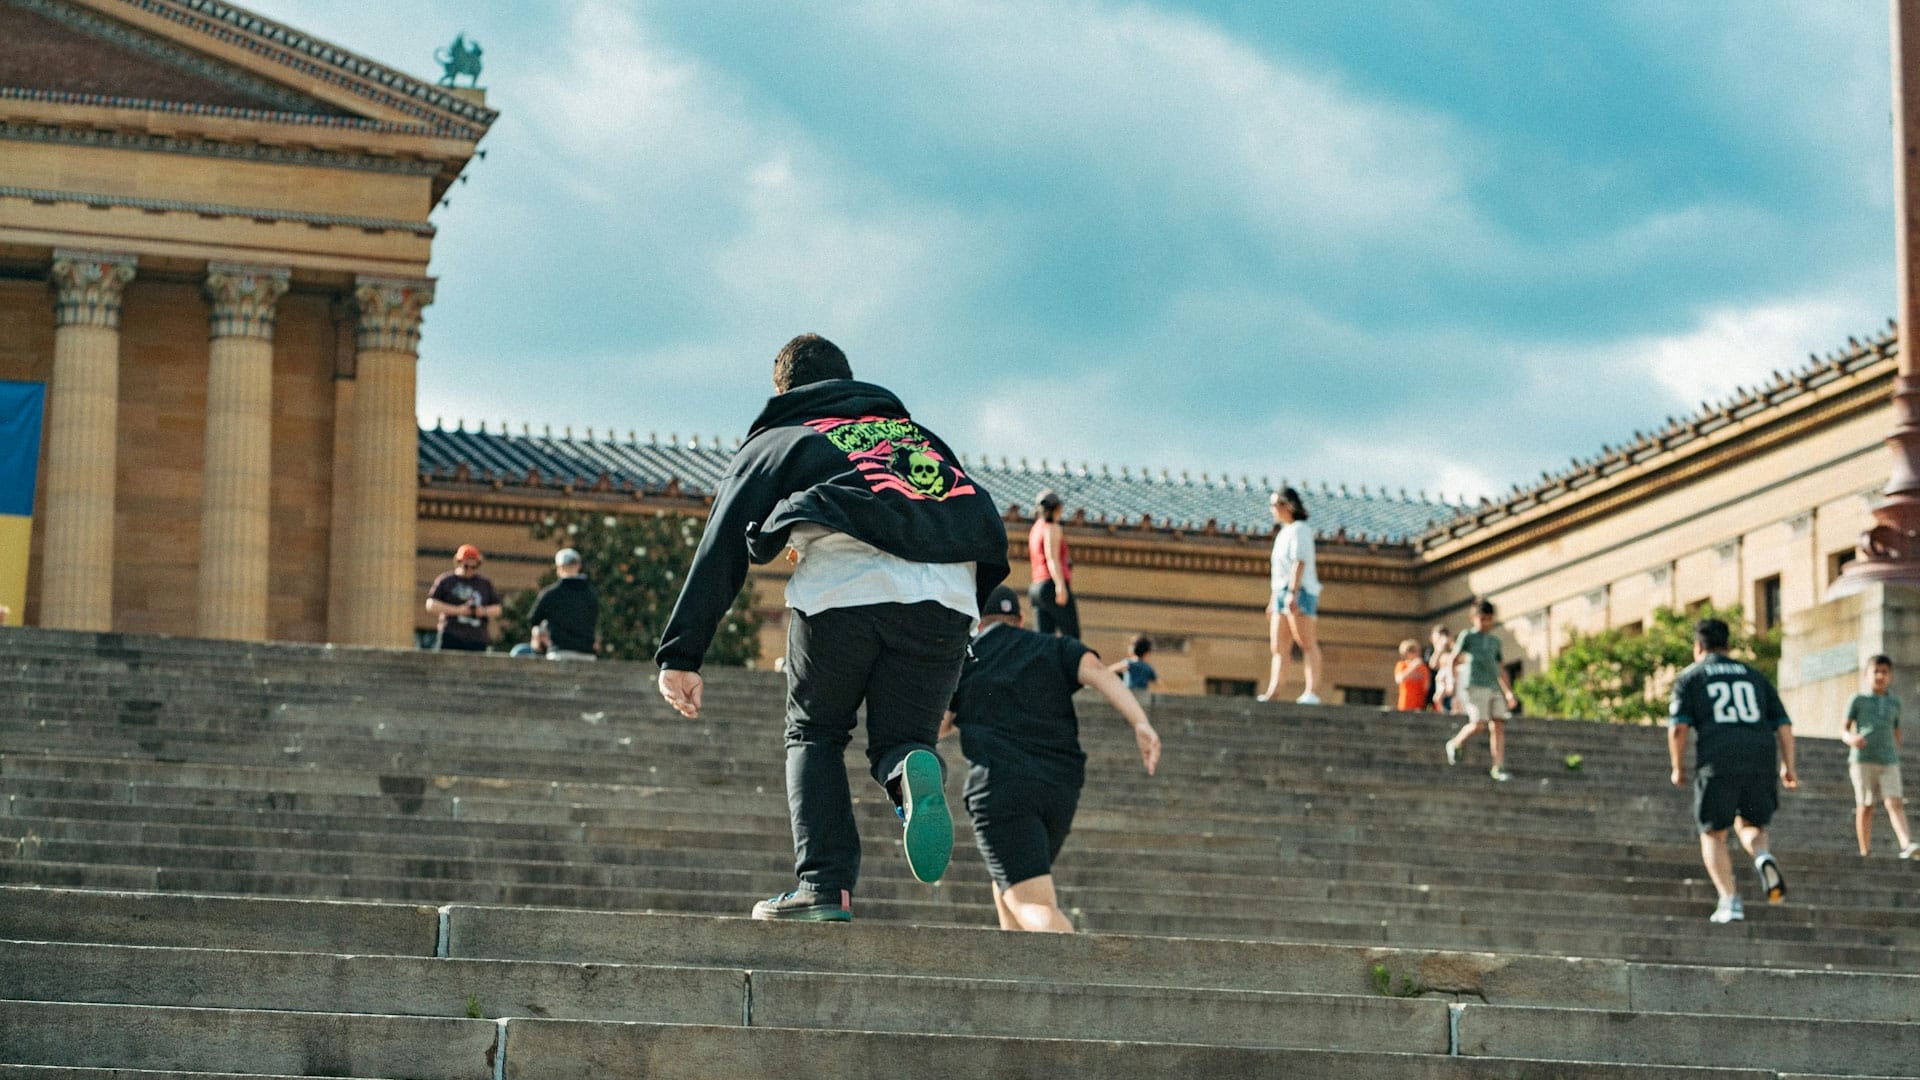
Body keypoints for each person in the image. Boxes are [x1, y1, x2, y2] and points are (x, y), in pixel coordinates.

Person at [654, 333, 1009, 922]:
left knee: (815, 733)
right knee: (900, 742)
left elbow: (723, 541)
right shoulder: (919, 437)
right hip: (947, 596)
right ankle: (906, 774)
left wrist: (681, 652)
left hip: (846, 586)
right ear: (847, 380)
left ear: (786, 390)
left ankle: (823, 887)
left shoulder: (783, 436)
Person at [942, 585, 1161, 931]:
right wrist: (1141, 723)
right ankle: (1018, 976)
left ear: (976, 623)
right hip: (1059, 792)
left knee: (1032, 902)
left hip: (1002, 789)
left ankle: (1084, 982)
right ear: (1020, 619)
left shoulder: (966, 658)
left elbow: (938, 724)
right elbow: (1101, 674)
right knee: (1008, 883)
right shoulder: (1053, 647)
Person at [1667, 617, 1797, 923]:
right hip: (1761, 756)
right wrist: (1788, 767)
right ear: (1728, 645)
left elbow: (1678, 728)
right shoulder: (1754, 675)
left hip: (1719, 757)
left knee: (1713, 832)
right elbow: (1784, 725)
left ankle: (1729, 900)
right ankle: (1762, 856)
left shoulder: (1691, 677)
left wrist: (1677, 767)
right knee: (1753, 824)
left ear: (1698, 646)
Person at [1842, 654, 1918, 858]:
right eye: (1876, 671)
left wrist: (1896, 750)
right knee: (1866, 805)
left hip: (1889, 760)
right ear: (1867, 675)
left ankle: (1906, 844)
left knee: (1895, 802)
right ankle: (1865, 850)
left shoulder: (1895, 703)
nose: (1880, 676)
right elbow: (1844, 729)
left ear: (1890, 676)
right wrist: (1851, 739)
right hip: (1862, 759)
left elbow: (1896, 730)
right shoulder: (1858, 700)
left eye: (1884, 672)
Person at [1258, 487, 1323, 704]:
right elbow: (1280, 570)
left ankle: (1311, 691)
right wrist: (1273, 598)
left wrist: (1292, 593)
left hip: (1300, 591)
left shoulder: (1300, 529)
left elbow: (1299, 562)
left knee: (1306, 642)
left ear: (1288, 506)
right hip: (1280, 592)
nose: (1273, 509)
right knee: (1278, 645)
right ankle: (1274, 690)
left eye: (1276, 504)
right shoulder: (1283, 532)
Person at [1441, 599, 1518, 781]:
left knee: (1498, 724)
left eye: (1489, 619)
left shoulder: (1495, 641)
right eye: (1482, 619)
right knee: (1479, 724)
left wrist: (1508, 692)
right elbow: (1453, 659)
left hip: (1494, 687)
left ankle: (1498, 766)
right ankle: (1455, 742)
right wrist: (1452, 682)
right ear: (1473, 618)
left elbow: (1500, 668)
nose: (1486, 623)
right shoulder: (1468, 637)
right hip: (1475, 685)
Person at [424, 544, 501, 652]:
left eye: (474, 567)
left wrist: (482, 611)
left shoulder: (484, 583)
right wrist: (458, 610)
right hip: (451, 636)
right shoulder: (446, 581)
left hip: (477, 638)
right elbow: (431, 605)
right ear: (458, 562)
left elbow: (497, 609)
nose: (470, 570)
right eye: (466, 566)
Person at [528, 547, 599, 660]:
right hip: (587, 654)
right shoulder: (590, 594)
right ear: (579, 566)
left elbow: (533, 619)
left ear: (559, 567)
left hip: (559, 652)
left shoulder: (551, 594)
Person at [1027, 490, 1079, 639]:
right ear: (1056, 509)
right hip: (1051, 585)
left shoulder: (1036, 529)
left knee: (1044, 640)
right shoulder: (1052, 528)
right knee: (1072, 637)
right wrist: (1060, 585)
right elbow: (1052, 558)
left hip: (1037, 588)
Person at [1394, 639, 1430, 713]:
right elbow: (1399, 679)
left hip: (1419, 705)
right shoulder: (1402, 665)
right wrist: (1413, 667)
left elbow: (1426, 686)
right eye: (1412, 651)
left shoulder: (1423, 667)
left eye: (1417, 651)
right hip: (1405, 704)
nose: (1416, 654)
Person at [1427, 625, 1455, 713]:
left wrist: (1450, 643)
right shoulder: (1430, 651)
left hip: (1450, 688)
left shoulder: (1451, 649)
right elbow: (1433, 665)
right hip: (1434, 689)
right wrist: (1439, 648)